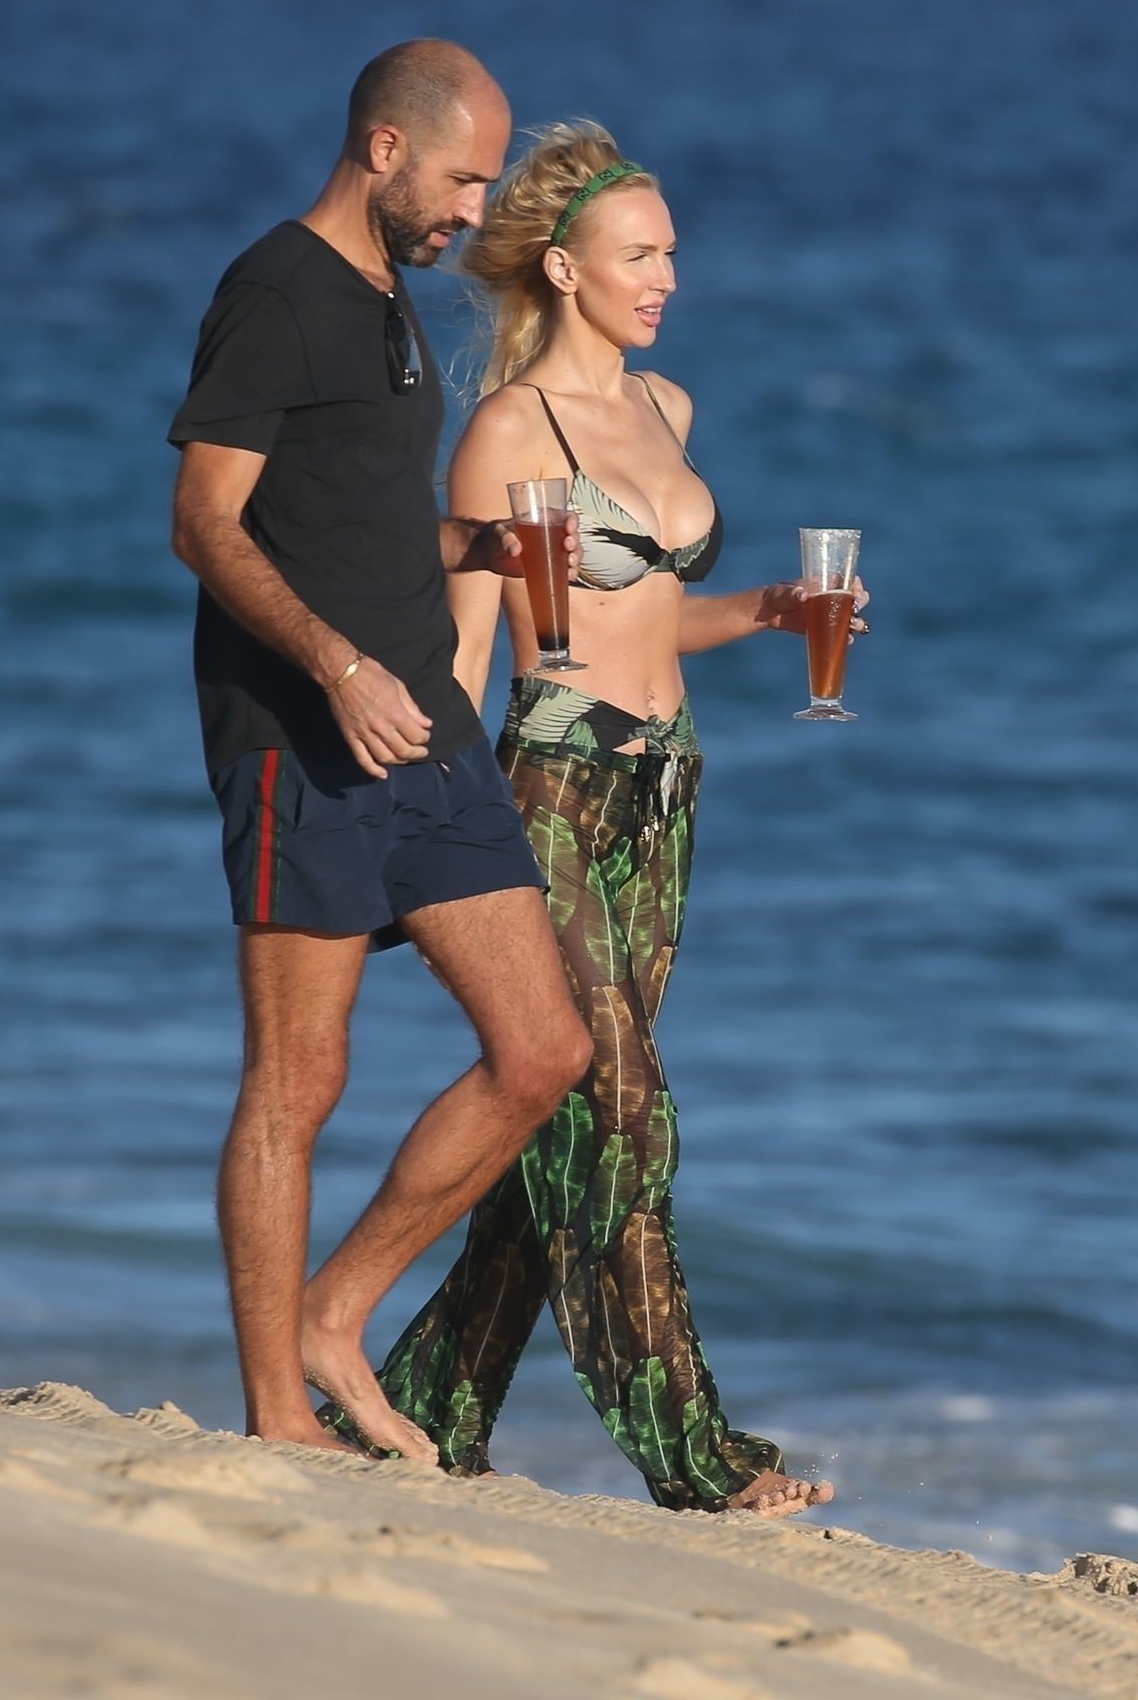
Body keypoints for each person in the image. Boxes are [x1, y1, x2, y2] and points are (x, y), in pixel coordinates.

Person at [324, 123, 866, 1514]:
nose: (666, 277)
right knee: (626, 1109)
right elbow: (467, 648)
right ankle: (696, 1457)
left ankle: (428, 1410)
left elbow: (653, 617)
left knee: (562, 1127)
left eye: (672, 253)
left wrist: (773, 610)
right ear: (565, 269)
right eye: (641, 255)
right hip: (549, 786)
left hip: (667, 787)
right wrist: (419, 826)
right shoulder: (511, 432)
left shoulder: (667, 406)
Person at [167, 43, 592, 1463]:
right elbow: (205, 522)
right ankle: (275, 1415)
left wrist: (477, 545)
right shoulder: (276, 289)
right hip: (304, 732)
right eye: (464, 179)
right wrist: (336, 667)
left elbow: (353, 512)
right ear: (386, 148)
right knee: (298, 1082)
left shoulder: (389, 296)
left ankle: (334, 1313)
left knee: (543, 1050)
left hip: (430, 731)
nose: (475, 210)